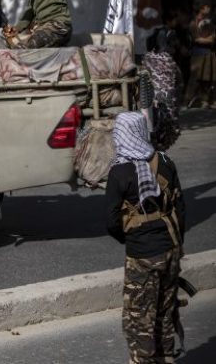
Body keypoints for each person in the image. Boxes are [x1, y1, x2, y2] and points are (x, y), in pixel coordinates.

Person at [105, 111, 186, 364]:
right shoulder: (165, 162)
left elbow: (111, 222)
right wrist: (175, 242)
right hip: (170, 249)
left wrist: (132, 239)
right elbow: (180, 209)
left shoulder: (119, 173)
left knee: (139, 319)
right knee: (165, 312)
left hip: (142, 254)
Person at [185, 4, 215, 107]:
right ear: (201, 9)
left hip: (209, 53)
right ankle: (187, 100)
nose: (209, 9)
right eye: (207, 7)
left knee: (207, 78)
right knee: (194, 78)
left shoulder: (210, 22)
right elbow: (196, 39)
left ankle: (205, 100)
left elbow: (213, 37)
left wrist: (208, 40)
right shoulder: (194, 22)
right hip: (197, 53)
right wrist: (208, 40)